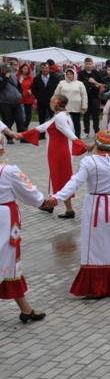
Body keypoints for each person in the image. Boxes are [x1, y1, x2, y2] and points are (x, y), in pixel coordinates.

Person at [47, 130, 110, 298]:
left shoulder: (89, 161)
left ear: (97, 145)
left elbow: (74, 183)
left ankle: (97, 284)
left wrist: (56, 198)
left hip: (96, 204)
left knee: (95, 241)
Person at [0, 135, 48, 323]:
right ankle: (25, 310)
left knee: (8, 260)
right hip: (5, 217)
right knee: (8, 258)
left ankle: (26, 309)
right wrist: (42, 201)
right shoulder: (8, 171)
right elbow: (28, 191)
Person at [20, 94, 86, 219]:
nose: (50, 103)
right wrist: (22, 135)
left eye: (52, 101)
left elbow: (70, 134)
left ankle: (55, 205)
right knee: (57, 177)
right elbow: (44, 126)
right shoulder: (60, 116)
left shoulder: (60, 117)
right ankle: (58, 206)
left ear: (56, 103)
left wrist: (81, 145)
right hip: (57, 151)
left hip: (59, 152)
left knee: (60, 177)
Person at [56, 68, 88, 137]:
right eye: (67, 74)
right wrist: (56, 105)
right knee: (65, 122)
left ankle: (77, 136)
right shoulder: (61, 83)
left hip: (76, 107)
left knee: (76, 122)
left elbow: (84, 95)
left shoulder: (79, 83)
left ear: (74, 74)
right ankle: (66, 136)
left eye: (70, 74)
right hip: (64, 107)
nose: (69, 76)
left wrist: (84, 106)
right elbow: (56, 94)